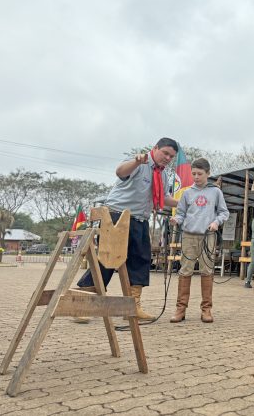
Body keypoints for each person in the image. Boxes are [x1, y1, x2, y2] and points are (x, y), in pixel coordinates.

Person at [76, 138, 179, 322]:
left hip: (140, 220)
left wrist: (185, 203)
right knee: (107, 260)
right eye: (165, 153)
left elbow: (164, 198)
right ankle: (84, 305)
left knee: (141, 261)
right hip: (116, 216)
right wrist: (137, 161)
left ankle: (132, 306)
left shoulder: (162, 174)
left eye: (171, 156)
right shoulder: (139, 162)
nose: (167, 158)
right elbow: (120, 171)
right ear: (155, 148)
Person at [169, 158, 229, 323]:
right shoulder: (187, 193)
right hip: (189, 235)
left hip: (208, 236)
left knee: (207, 271)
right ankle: (180, 309)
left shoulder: (216, 192)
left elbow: (224, 212)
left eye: (199, 174)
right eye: (193, 173)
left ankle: (206, 309)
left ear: (208, 174)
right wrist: (176, 220)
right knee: (185, 270)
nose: (196, 176)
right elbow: (181, 213)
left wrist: (216, 222)